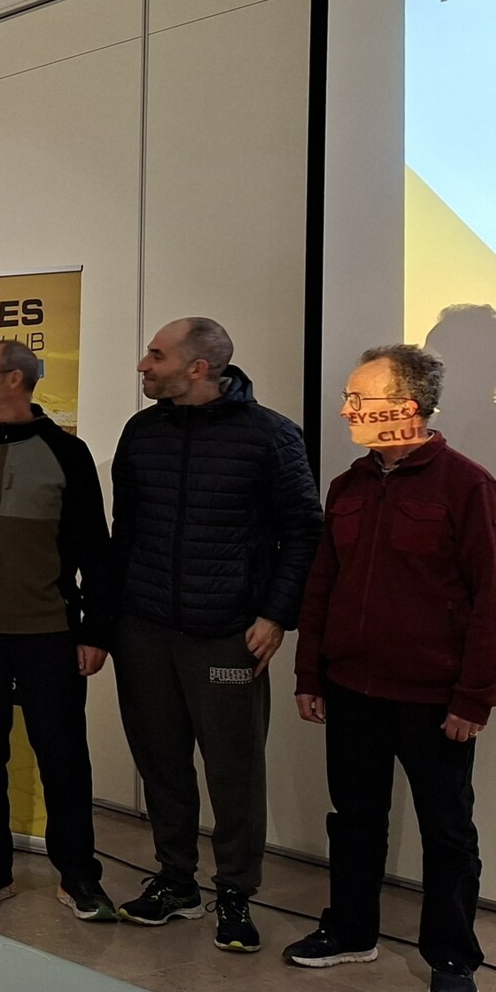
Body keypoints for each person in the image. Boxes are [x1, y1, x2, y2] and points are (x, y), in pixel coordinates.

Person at [284, 345, 496, 992]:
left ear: (407, 407)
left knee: (447, 832)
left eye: (358, 399)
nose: (345, 411)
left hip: (434, 699)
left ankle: (452, 955)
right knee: (354, 819)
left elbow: (495, 601)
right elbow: (323, 586)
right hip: (352, 689)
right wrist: (311, 672)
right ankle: (351, 930)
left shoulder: (468, 486)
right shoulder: (348, 486)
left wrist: (474, 697)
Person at [111, 318, 321, 951]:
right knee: (161, 762)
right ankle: (176, 881)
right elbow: (125, 531)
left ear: (197, 367)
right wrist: (111, 617)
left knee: (234, 771)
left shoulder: (271, 435)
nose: (143, 365)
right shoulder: (141, 431)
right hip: (146, 629)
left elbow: (304, 532)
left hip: (229, 633)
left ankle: (235, 891)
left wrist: (276, 615)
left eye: (156, 355)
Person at [0, 340, 115, 920]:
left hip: (48, 632)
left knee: (63, 755)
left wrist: (96, 631)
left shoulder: (68, 453)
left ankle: (78, 875)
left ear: (15, 379)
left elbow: (96, 549)